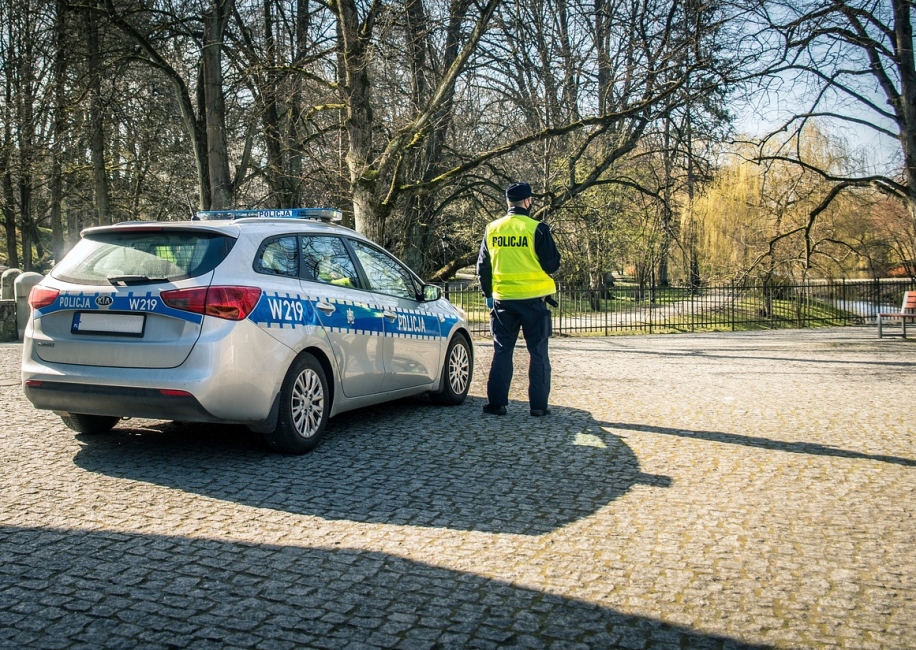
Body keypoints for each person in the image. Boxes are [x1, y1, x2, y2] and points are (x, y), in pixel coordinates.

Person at [476, 182, 561, 416]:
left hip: (503, 301)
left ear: (508, 202)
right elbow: (552, 264)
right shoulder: (538, 229)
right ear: (527, 201)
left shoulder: (492, 229)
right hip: (534, 301)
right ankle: (538, 406)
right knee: (538, 353)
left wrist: (489, 295)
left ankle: (496, 403)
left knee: (502, 350)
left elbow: (483, 266)